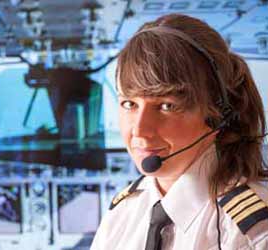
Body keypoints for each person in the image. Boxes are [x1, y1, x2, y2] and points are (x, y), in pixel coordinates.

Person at [90, 13, 268, 250]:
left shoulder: (250, 235)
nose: (140, 132)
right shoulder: (122, 213)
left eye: (166, 106)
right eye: (129, 104)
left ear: (218, 113)